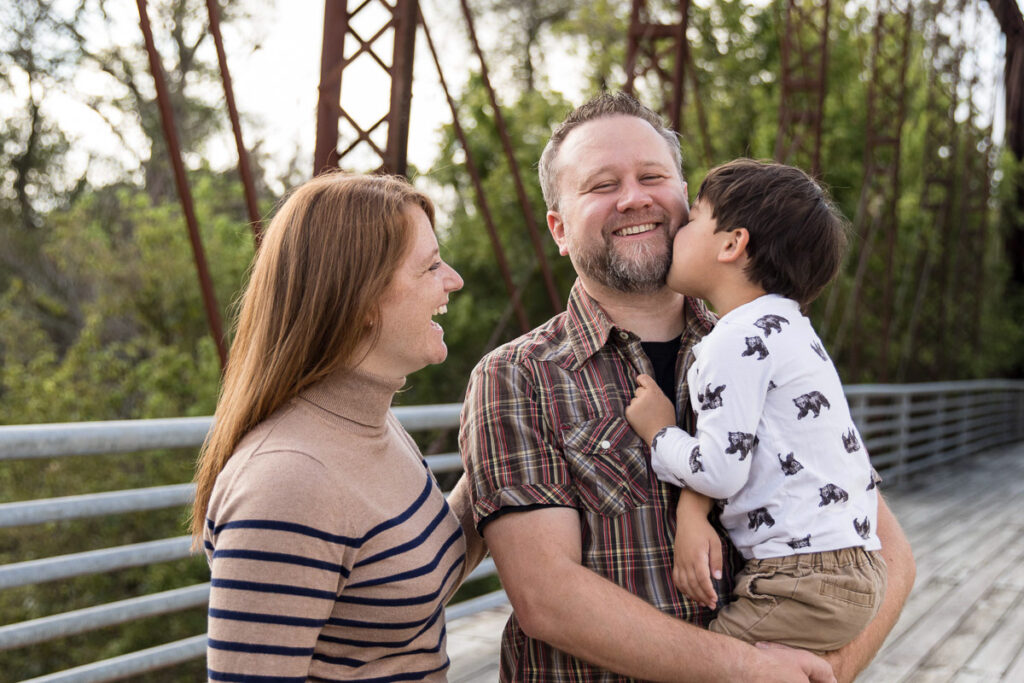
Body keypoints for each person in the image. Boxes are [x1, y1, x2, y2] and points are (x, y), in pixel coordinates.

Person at [459, 92, 915, 682]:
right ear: (559, 230)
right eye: (601, 185)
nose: (633, 197)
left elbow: (887, 550)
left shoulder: (765, 343)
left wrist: (816, 674)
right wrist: (748, 672)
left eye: (653, 176)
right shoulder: (516, 376)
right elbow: (549, 599)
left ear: (685, 198)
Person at [190, 173, 485, 681]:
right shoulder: (289, 483)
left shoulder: (372, 426)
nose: (452, 279)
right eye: (431, 266)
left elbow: (406, 586)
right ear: (363, 301)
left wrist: (509, 456)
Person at [625, 159, 886, 654]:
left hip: (800, 580)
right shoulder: (789, 329)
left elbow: (722, 471)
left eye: (695, 216)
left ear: (731, 244)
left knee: (710, 664)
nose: (678, 226)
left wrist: (660, 432)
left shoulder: (735, 340)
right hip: (856, 565)